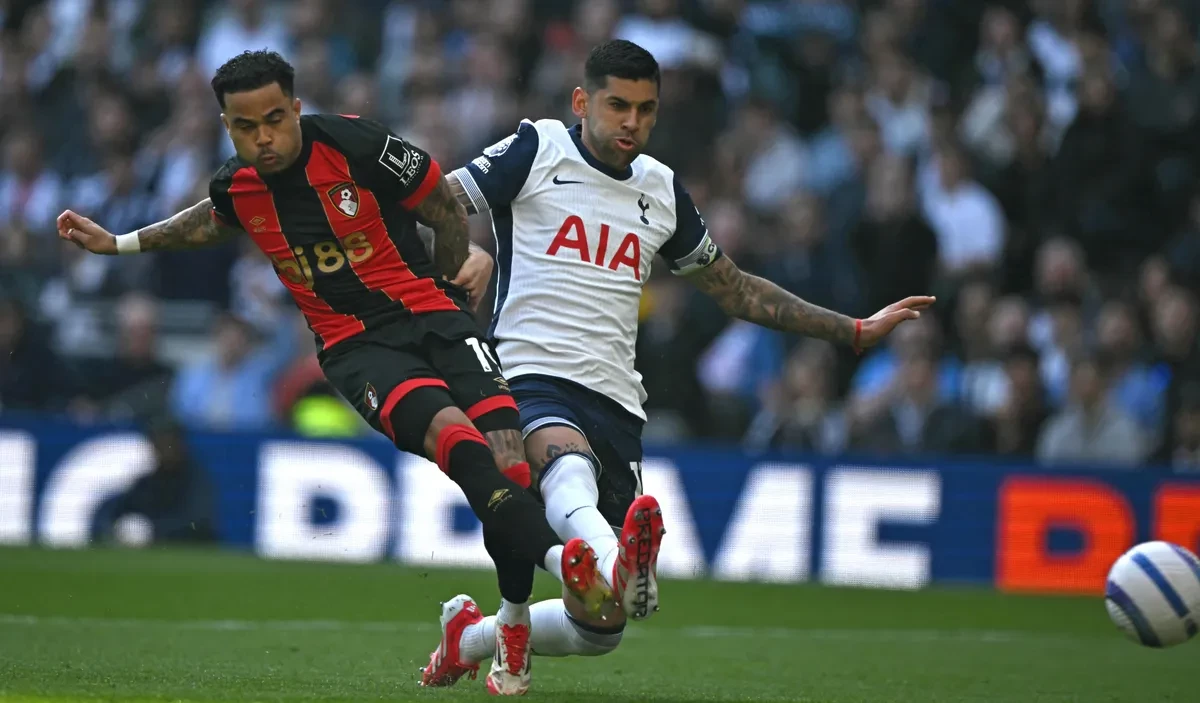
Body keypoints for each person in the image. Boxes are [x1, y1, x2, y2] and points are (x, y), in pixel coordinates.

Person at [55, 49, 609, 696]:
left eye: (272, 119)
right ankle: (564, 563)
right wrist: (120, 243)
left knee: (512, 467)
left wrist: (457, 291)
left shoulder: (356, 144)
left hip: (435, 314)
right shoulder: (238, 186)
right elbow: (209, 220)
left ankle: (505, 621)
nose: (262, 137)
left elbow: (440, 203)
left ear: (295, 108)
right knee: (458, 444)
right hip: (358, 348)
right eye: (243, 126)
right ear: (226, 126)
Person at [421, 39, 936, 687]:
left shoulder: (660, 190)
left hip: (615, 401)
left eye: (646, 109)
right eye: (617, 106)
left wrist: (852, 329)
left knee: (598, 629)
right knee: (564, 463)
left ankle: (472, 635)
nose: (632, 122)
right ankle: (618, 564)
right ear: (583, 102)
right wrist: (459, 257)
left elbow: (737, 289)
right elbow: (436, 198)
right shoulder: (538, 148)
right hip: (528, 374)